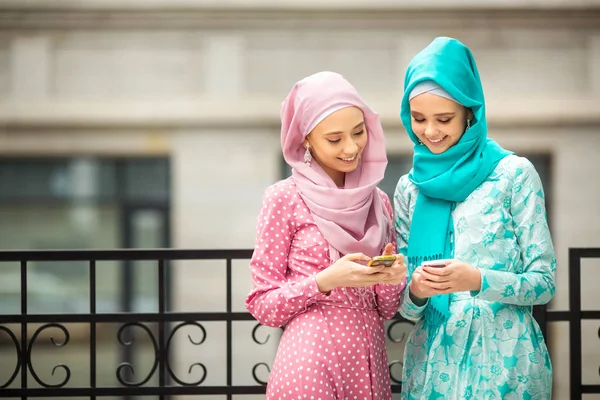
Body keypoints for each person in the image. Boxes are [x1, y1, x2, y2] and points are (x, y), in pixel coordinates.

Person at [393, 37, 556, 399]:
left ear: (470, 111)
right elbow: (405, 307)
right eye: (418, 119)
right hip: (434, 364)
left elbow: (544, 283)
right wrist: (417, 290)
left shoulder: (513, 175)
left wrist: (478, 279)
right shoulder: (410, 189)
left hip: (507, 363)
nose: (430, 131)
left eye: (444, 119)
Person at [245, 71, 407, 399]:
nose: (351, 147)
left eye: (358, 132)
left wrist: (392, 277)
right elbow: (262, 304)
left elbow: (386, 309)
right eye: (335, 139)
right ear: (306, 139)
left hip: (369, 365)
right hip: (310, 365)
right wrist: (324, 281)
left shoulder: (379, 202)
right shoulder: (285, 197)